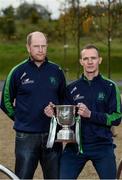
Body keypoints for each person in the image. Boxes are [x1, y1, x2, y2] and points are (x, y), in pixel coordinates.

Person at [45, 44, 122, 179]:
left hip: (102, 146)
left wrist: (91, 114)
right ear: (81, 62)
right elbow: (65, 117)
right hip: (75, 147)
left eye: (93, 58)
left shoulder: (110, 87)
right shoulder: (71, 88)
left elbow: (116, 118)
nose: (90, 62)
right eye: (86, 58)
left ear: (100, 60)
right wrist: (54, 114)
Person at [0, 31, 66, 179]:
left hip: (52, 135)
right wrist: (20, 118)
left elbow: (64, 101)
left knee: (54, 177)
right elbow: (5, 102)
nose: (41, 50)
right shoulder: (17, 71)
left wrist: (56, 112)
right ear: (28, 47)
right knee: (23, 177)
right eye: (36, 46)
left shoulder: (57, 71)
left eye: (44, 46)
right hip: (26, 137)